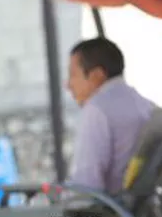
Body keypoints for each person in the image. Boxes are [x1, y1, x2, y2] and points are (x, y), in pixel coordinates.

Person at [66, 37, 156, 195]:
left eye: (73, 75)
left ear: (97, 76)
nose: (68, 85)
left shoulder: (96, 110)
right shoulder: (146, 105)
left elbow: (85, 185)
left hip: (111, 213)